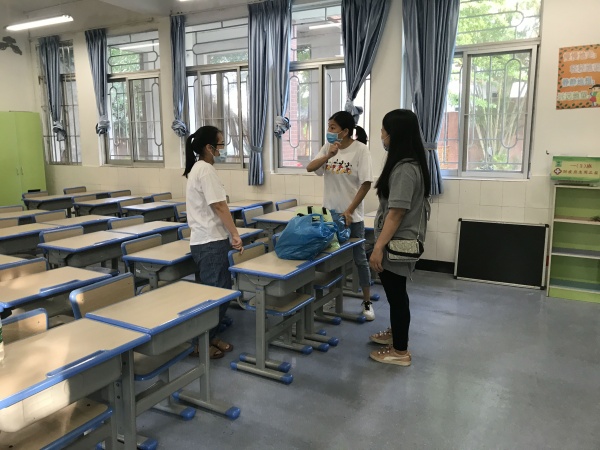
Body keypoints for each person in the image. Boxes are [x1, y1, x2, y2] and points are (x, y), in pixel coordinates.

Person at [368, 109, 431, 366]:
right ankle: (396, 333)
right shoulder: (409, 163)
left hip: (396, 244)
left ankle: (400, 351)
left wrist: (378, 248)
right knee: (397, 295)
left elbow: (396, 213)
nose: (381, 135)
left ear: (395, 134)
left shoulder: (405, 169)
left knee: (396, 297)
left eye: (384, 131)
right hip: (397, 241)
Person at [306, 111, 375, 320]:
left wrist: (349, 210)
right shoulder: (328, 147)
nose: (329, 131)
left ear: (345, 131)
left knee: (360, 259)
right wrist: (329, 155)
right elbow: (310, 168)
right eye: (329, 126)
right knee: (329, 257)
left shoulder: (361, 150)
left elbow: (366, 184)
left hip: (352, 217)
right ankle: (330, 298)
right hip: (329, 216)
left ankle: (367, 301)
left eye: (333, 127)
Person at [183, 125, 243, 359]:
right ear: (209, 147)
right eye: (220, 144)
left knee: (215, 293)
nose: (223, 148)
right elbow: (219, 206)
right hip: (209, 241)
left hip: (209, 239)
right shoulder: (205, 170)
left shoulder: (201, 169)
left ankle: (210, 336)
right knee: (214, 295)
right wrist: (235, 234)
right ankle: (200, 342)